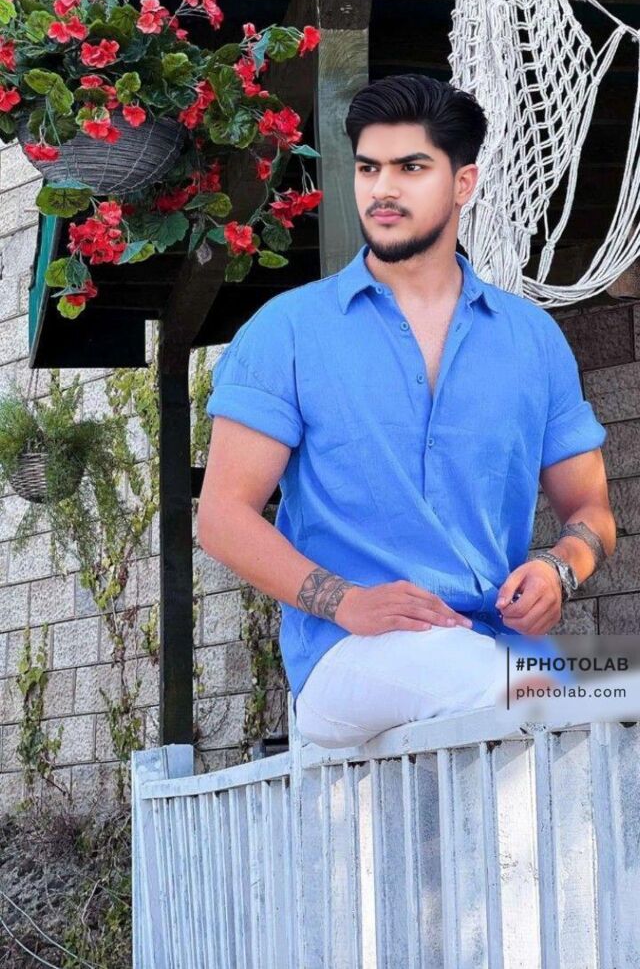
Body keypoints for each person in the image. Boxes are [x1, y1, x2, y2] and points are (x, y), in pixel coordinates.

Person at [197, 74, 617, 749]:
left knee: (610, 698)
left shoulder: (533, 340)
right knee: (543, 694)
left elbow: (591, 512)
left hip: (496, 648)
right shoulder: (289, 331)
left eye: (410, 168)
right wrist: (347, 601)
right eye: (369, 168)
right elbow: (222, 517)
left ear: (463, 182)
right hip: (350, 653)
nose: (382, 189)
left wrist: (558, 569)